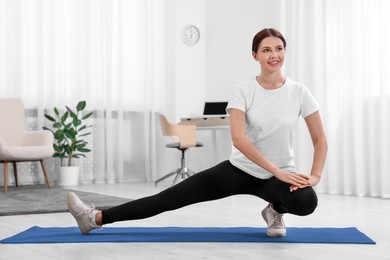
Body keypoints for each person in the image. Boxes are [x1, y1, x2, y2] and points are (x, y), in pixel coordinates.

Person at [67, 28, 328, 238]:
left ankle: (274, 210)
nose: (274, 55)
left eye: (279, 49)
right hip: (240, 170)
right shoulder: (244, 90)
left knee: (307, 201)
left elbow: (319, 139)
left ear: (285, 52)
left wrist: (314, 175)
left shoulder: (299, 91)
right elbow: (239, 139)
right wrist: (278, 170)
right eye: (266, 50)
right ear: (255, 55)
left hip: (278, 176)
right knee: (169, 198)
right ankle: (94, 218)